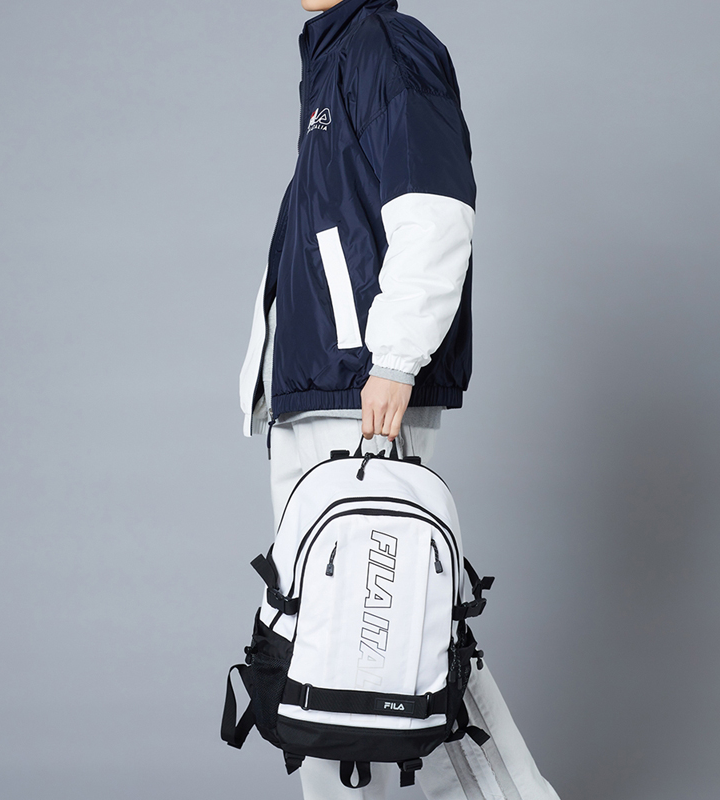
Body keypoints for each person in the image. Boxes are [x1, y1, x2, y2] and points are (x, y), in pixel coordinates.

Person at [238, 1, 562, 797]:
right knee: (337, 639)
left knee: (375, 638)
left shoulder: (389, 47)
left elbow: (436, 211)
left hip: (361, 387)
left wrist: (395, 356)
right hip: (319, 386)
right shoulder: (334, 57)